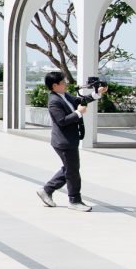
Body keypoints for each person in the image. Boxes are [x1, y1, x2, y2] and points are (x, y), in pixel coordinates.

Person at [36, 71, 105, 212]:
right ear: (55, 85)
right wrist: (78, 113)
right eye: (63, 82)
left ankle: (47, 190)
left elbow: (79, 101)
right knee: (72, 171)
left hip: (69, 140)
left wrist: (96, 94)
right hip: (63, 142)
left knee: (69, 168)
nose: (66, 84)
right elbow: (61, 121)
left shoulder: (64, 95)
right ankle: (74, 200)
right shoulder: (54, 101)